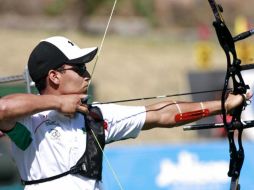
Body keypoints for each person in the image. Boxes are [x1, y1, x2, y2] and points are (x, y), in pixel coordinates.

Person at [0, 36, 250, 190]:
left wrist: (223, 104)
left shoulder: (95, 117)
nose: (87, 74)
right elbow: (3, 108)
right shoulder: (27, 125)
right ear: (54, 76)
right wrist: (57, 104)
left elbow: (161, 114)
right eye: (78, 68)